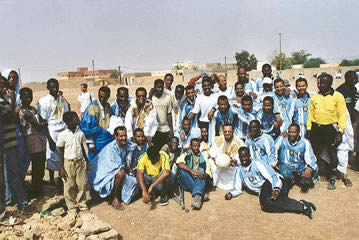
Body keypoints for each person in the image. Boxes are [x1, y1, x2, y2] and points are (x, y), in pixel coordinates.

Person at [225, 147, 317, 219]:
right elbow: (237, 187)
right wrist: (231, 193)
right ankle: (303, 204)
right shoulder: (239, 170)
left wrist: (276, 188)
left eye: (245, 156)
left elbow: (272, 176)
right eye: (241, 157)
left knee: (265, 201)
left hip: (276, 183)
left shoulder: (257, 163)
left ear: (249, 155)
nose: (244, 159)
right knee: (267, 206)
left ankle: (303, 208)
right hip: (266, 191)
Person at [307, 73, 347, 190]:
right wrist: (309, 129)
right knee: (316, 152)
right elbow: (310, 114)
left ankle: (332, 176)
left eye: (325, 83)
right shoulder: (314, 97)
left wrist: (340, 131)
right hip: (316, 128)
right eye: (320, 83)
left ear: (330, 83)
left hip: (330, 128)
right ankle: (318, 174)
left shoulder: (338, 96)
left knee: (332, 152)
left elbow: (342, 114)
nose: (322, 85)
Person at [18, 88, 56, 197]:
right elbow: (39, 125)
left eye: (30, 95)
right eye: (25, 96)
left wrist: (44, 124)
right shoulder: (23, 111)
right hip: (31, 139)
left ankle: (37, 187)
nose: (28, 98)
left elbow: (41, 122)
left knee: (40, 163)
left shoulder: (32, 109)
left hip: (39, 139)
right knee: (37, 164)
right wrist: (45, 123)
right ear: (21, 97)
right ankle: (35, 190)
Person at [88, 126, 137, 209]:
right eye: (121, 136)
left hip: (122, 168)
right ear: (116, 137)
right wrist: (126, 168)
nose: (124, 138)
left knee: (134, 180)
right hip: (105, 173)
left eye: (125, 135)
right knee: (120, 173)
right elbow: (113, 166)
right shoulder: (110, 149)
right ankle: (114, 198)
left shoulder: (127, 144)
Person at [0, 80, 28, 209]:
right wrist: (11, 100)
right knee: (9, 174)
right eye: (2, 86)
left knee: (12, 173)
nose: (5, 88)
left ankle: (15, 200)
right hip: (5, 144)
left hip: (9, 143)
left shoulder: (3, 101)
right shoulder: (4, 103)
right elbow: (9, 116)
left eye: (4, 85)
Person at [37, 78, 70, 187]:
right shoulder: (44, 101)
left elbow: (67, 112)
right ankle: (51, 179)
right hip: (51, 130)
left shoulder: (62, 100)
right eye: (52, 87)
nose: (54, 89)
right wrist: (50, 139)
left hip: (63, 128)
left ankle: (61, 177)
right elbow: (43, 121)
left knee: (63, 154)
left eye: (56, 86)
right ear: (48, 88)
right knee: (51, 156)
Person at [57, 111, 90, 212]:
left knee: (82, 183)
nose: (78, 120)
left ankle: (82, 203)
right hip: (68, 163)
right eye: (76, 118)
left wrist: (87, 162)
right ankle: (71, 205)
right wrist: (61, 167)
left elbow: (83, 149)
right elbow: (61, 152)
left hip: (80, 162)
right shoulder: (63, 135)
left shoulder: (80, 133)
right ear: (69, 122)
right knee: (69, 185)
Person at [277, 124, 318, 193]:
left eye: (293, 132)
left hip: (300, 165)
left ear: (298, 132)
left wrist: (309, 168)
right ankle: (293, 180)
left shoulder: (305, 142)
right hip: (287, 165)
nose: (291, 134)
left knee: (315, 168)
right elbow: (274, 149)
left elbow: (310, 157)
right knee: (284, 173)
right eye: (289, 132)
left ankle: (301, 180)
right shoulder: (284, 141)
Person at [80, 86, 113, 162]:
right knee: (94, 163)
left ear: (108, 96)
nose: (102, 99)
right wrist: (91, 144)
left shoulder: (108, 106)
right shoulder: (93, 107)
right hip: (95, 141)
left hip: (106, 140)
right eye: (100, 97)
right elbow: (88, 127)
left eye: (104, 97)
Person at [208, 123, 245, 190]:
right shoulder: (219, 139)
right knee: (210, 162)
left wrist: (235, 161)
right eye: (225, 131)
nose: (227, 133)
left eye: (229, 131)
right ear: (223, 131)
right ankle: (214, 182)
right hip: (219, 165)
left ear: (233, 131)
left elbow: (244, 156)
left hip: (232, 167)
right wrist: (215, 159)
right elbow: (212, 152)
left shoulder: (239, 142)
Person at [176, 138, 207, 209]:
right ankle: (200, 192)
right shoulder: (186, 154)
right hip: (187, 180)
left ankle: (198, 196)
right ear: (190, 146)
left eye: (198, 146)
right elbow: (179, 163)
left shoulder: (202, 156)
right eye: (194, 146)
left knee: (202, 174)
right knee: (182, 170)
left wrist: (201, 174)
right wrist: (192, 171)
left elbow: (206, 171)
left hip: (197, 179)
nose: (196, 148)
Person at [152, 79, 173, 149]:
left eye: (162, 87)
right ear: (154, 87)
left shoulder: (167, 98)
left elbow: (169, 114)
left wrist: (171, 129)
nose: (160, 89)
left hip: (165, 130)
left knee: (165, 150)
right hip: (155, 130)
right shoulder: (151, 99)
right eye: (158, 87)